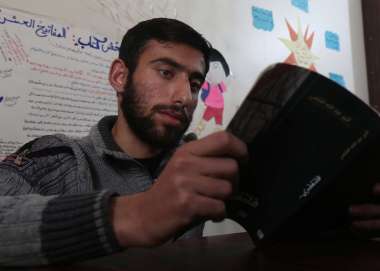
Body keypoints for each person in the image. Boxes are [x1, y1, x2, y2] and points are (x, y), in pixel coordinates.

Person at [0, 18, 248, 266]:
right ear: (120, 76)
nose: (184, 96)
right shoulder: (58, 158)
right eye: (166, 73)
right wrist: (132, 216)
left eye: (194, 85)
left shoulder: (203, 166)